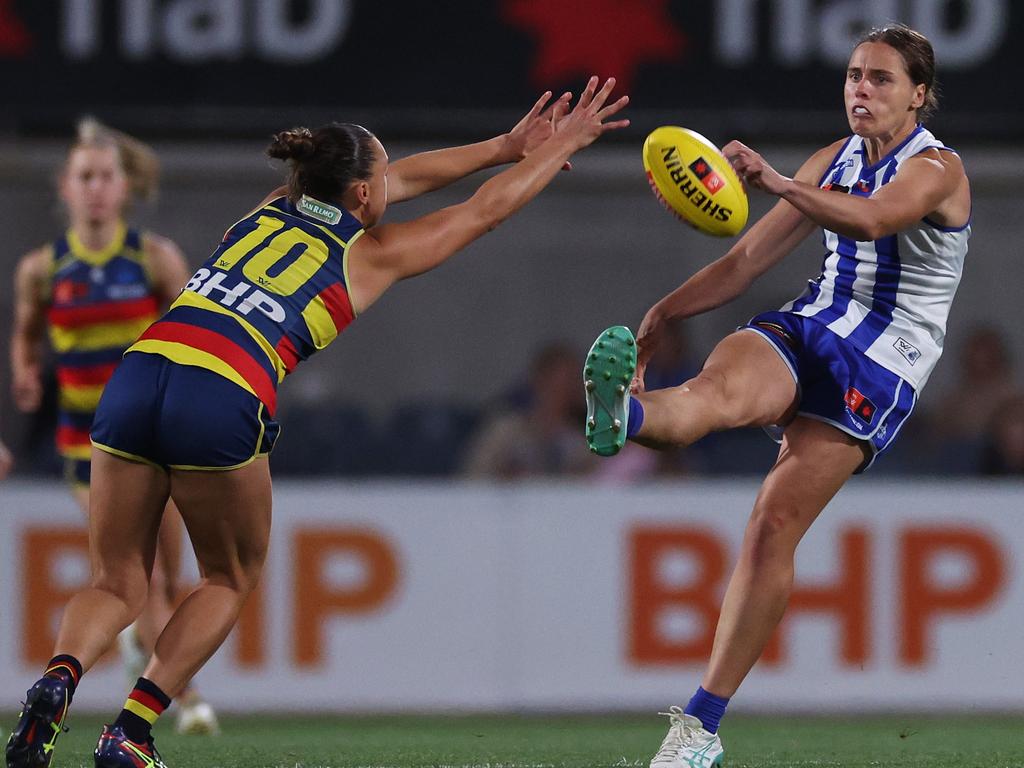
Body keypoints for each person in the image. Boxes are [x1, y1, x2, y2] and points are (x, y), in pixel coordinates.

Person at [5, 77, 628, 768]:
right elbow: (484, 213)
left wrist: (505, 145)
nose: (393, 180)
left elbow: (400, 178)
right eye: (381, 175)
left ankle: (58, 680)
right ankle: (132, 730)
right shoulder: (369, 255)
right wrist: (553, 148)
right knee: (227, 576)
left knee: (115, 580)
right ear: (362, 194)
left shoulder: (267, 210)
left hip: (138, 371)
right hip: (223, 385)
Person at [583, 25, 969, 767]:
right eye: (855, 74)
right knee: (713, 394)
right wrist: (662, 314)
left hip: (883, 361)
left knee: (773, 523)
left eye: (882, 78)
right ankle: (623, 413)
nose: (862, 88)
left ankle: (699, 730)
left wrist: (780, 182)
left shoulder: (940, 169)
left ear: (918, 94)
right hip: (812, 322)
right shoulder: (833, 158)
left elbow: (875, 217)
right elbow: (745, 261)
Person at [7, 119, 219, 736]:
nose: (96, 188)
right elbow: (24, 336)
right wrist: (25, 372)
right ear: (65, 187)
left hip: (158, 437)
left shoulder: (153, 258)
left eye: (106, 177)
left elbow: (193, 333)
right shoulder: (41, 269)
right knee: (142, 574)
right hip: (89, 450)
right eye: (85, 177)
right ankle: (188, 698)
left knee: (175, 576)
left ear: (125, 188)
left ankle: (141, 654)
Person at [463, 341, 598, 479]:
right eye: (556, 385)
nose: (562, 392)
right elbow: (474, 477)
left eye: (571, 384)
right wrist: (502, 477)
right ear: (539, 381)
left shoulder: (584, 442)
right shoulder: (505, 432)